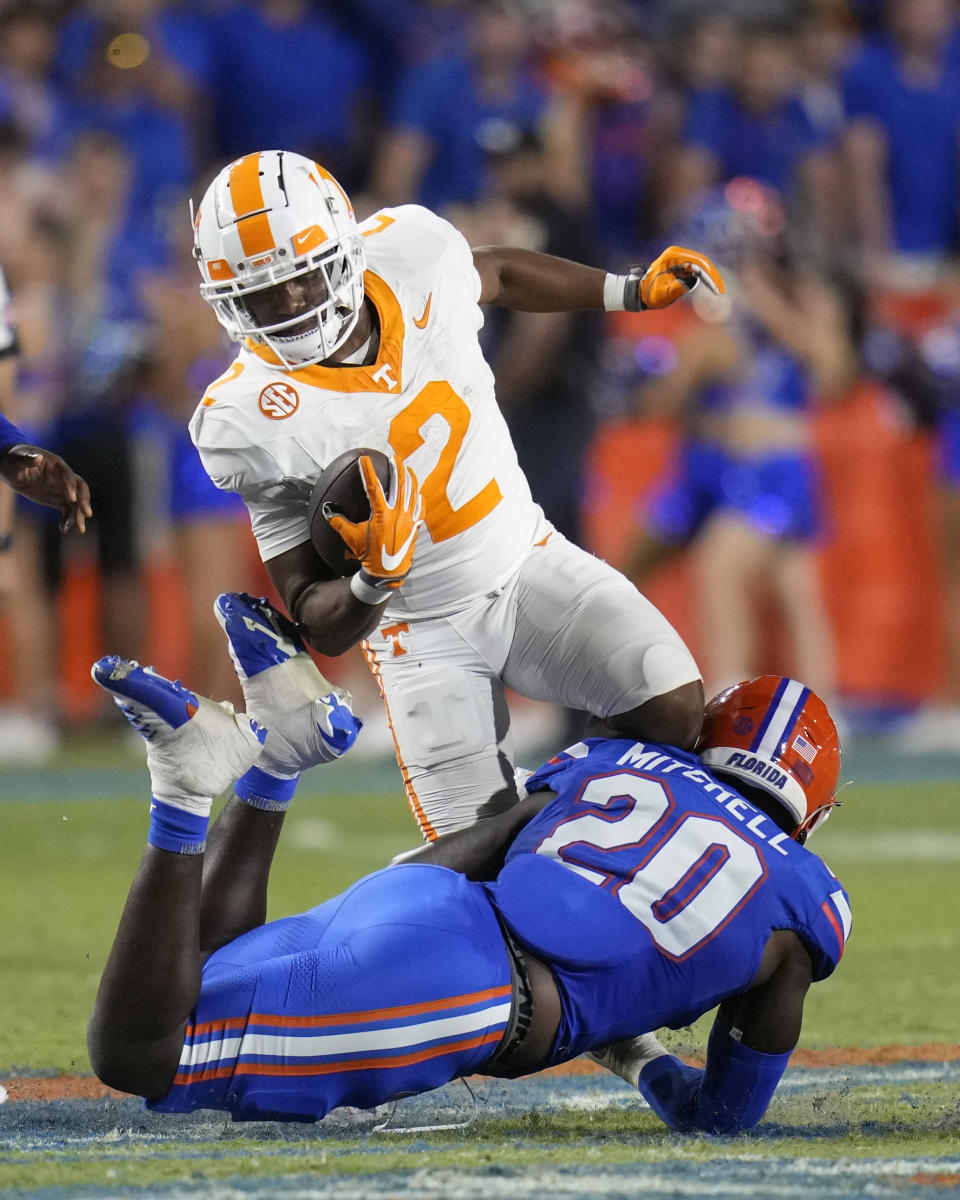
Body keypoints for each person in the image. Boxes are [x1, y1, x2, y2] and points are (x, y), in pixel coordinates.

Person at [86, 592, 850, 1133]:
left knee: (191, 981)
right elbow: (719, 1114)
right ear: (812, 806)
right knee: (138, 1054)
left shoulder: (626, 766)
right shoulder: (807, 900)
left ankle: (276, 758)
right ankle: (184, 787)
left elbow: (485, 841)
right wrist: (644, 1061)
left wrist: (386, 904)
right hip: (475, 989)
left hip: (429, 901)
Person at [188, 148, 724, 838]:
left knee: (670, 704)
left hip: (525, 559)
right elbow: (310, 612)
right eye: (260, 295)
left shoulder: (413, 256)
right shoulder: (246, 415)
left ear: (344, 250)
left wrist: (627, 291)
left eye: (300, 279)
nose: (289, 306)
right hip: (420, 634)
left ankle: (578, 834)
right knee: (473, 854)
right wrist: (371, 583)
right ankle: (531, 846)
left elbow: (497, 272)